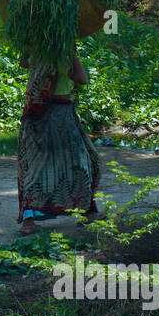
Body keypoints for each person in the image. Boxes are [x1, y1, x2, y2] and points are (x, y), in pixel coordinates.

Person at [16, 41, 102, 233]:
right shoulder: (65, 53)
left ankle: (29, 221)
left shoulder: (36, 50)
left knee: (34, 167)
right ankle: (87, 212)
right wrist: (71, 56)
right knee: (84, 162)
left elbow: (24, 63)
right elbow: (82, 78)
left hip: (35, 115)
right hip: (60, 116)